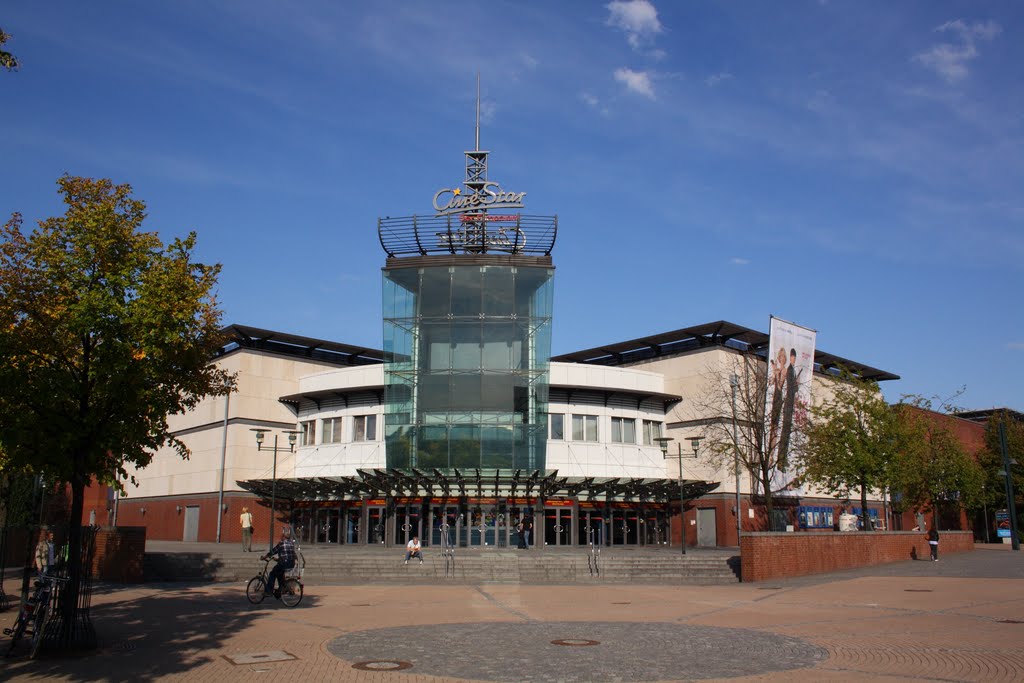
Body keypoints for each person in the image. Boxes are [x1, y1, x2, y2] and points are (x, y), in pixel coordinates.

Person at [261, 527, 296, 597]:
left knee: (272, 573)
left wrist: (265, 557)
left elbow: (273, 551)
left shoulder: (281, 544)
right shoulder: (291, 543)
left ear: (283, 536)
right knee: (279, 573)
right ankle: (281, 589)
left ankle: (269, 591)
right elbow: (286, 554)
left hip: (284, 563)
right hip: (292, 563)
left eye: (281, 536)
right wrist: (277, 559)